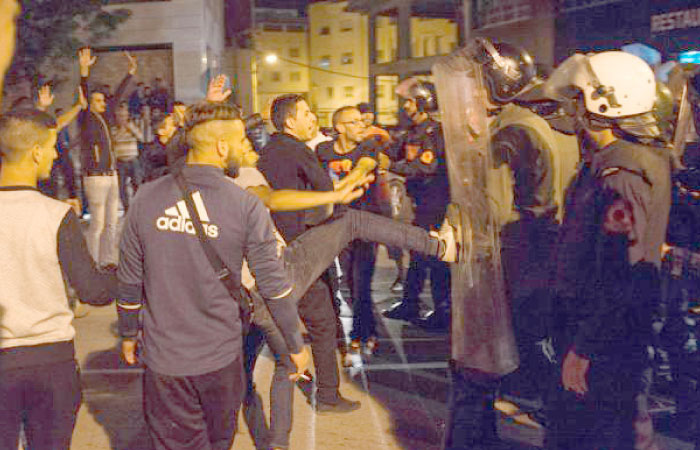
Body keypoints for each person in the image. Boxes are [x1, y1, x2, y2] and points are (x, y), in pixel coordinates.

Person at [225, 103, 457, 450]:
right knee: (352, 221)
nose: (251, 148)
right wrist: (336, 192)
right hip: (278, 271)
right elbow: (271, 198)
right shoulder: (249, 174)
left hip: (247, 288)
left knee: (277, 363)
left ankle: (273, 440)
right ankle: (440, 248)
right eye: (243, 143)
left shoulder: (207, 183)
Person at [116, 102, 309, 450]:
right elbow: (273, 285)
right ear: (222, 147)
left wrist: (128, 332)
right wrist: (294, 342)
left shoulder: (145, 198)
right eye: (240, 141)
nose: (244, 149)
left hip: (164, 361)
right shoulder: (245, 204)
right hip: (220, 358)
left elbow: (129, 279)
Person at [541, 51, 670, 449]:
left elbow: (621, 273)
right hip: (595, 332)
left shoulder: (623, 173)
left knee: (593, 434)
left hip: (602, 342)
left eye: (578, 99)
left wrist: (585, 347)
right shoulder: (611, 161)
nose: (573, 109)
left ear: (604, 103)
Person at [0, 108, 118, 450]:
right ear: (35, 150)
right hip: (49, 362)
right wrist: (116, 272)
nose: (54, 155)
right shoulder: (54, 214)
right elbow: (93, 291)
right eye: (52, 146)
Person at [257, 94, 361, 413]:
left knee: (266, 326)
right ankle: (328, 395)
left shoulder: (266, 151)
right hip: (302, 249)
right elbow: (324, 192)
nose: (312, 118)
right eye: (306, 113)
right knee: (323, 321)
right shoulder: (298, 149)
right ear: (290, 121)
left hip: (273, 249)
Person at [382, 79, 452, 330]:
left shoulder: (435, 133)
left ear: (424, 102)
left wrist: (388, 165)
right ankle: (410, 303)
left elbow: (425, 167)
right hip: (419, 204)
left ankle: (443, 311)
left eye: (410, 101)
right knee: (417, 255)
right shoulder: (412, 132)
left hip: (434, 203)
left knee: (435, 257)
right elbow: (393, 152)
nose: (406, 106)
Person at [317, 105, 384, 354]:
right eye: (354, 122)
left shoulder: (368, 147)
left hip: (367, 224)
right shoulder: (322, 151)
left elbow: (364, 167)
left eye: (361, 121)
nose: (361, 126)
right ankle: (371, 330)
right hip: (338, 224)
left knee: (362, 281)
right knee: (352, 283)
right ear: (339, 127)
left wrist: (343, 186)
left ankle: (358, 335)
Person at [78, 47, 137, 266]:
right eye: (99, 101)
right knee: (98, 225)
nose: (104, 103)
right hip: (95, 176)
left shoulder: (105, 117)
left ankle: (108, 261)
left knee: (112, 223)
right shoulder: (86, 118)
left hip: (111, 175)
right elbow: (83, 92)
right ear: (90, 102)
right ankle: (93, 263)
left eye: (104, 101)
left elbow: (119, 95)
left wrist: (130, 73)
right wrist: (84, 71)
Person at [112, 103, 144, 211]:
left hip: (133, 160)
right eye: (120, 116)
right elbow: (114, 140)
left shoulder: (133, 127)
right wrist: (122, 129)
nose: (122, 118)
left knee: (137, 185)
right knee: (121, 187)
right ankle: (127, 208)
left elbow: (141, 137)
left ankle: (137, 207)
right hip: (120, 161)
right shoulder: (113, 130)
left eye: (124, 115)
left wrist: (130, 127)